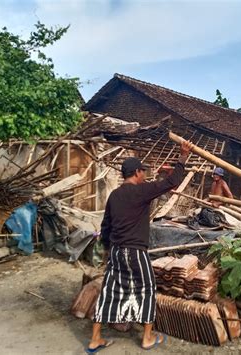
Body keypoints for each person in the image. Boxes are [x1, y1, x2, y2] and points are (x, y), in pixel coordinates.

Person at [87, 140, 193, 353]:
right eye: (142, 172)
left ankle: (95, 339)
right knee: (147, 289)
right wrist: (183, 156)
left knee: (109, 291)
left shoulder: (114, 195)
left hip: (117, 251)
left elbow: (105, 225)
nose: (144, 175)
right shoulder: (142, 191)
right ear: (136, 173)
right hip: (135, 252)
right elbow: (171, 180)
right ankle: (146, 337)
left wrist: (107, 250)